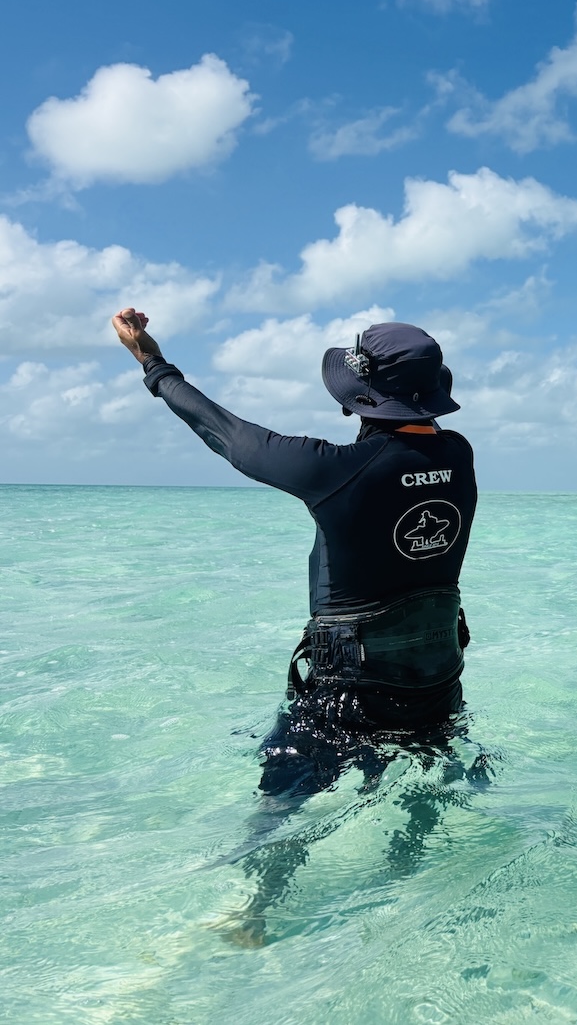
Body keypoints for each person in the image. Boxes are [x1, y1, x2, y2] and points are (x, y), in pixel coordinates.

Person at [111, 308, 485, 939]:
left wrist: (151, 361)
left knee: (280, 799)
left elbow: (225, 433)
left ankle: (256, 915)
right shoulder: (459, 454)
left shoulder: (334, 470)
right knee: (417, 782)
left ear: (358, 399)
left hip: (351, 689)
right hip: (434, 677)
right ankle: (404, 896)